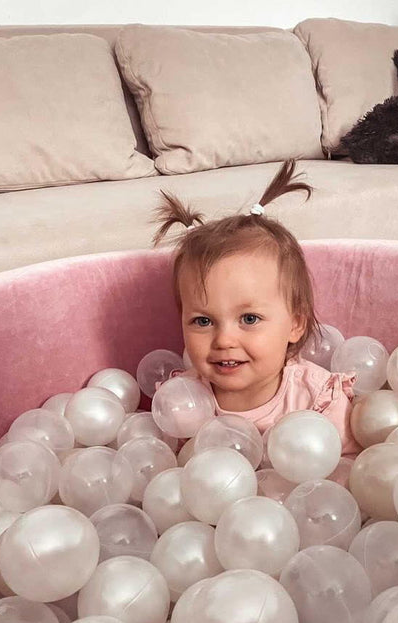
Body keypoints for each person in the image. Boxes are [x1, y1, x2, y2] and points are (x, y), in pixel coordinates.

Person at [153, 159, 360, 456]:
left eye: (249, 318)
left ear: (295, 325)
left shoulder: (318, 399)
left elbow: (346, 471)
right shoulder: (181, 401)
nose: (224, 340)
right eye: (202, 321)